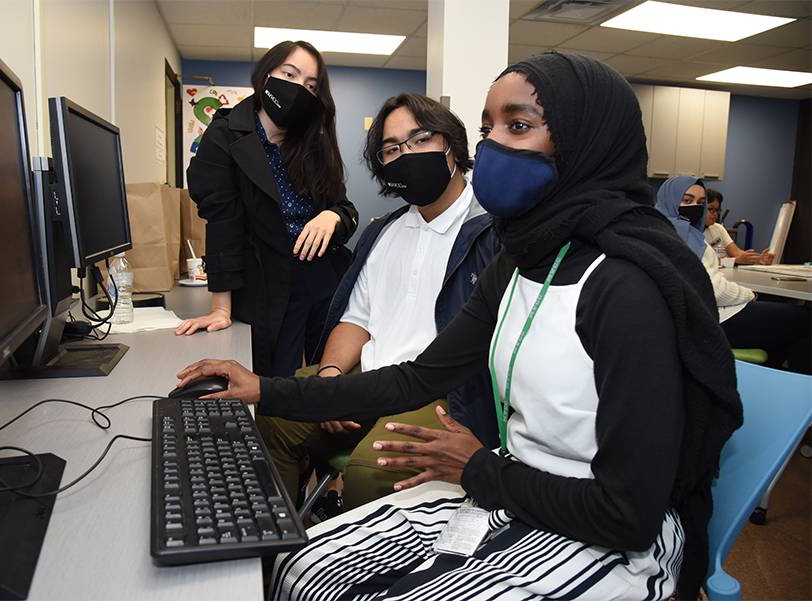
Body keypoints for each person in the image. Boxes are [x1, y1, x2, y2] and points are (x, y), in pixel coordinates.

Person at [177, 53, 744, 600]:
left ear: (586, 141)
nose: (493, 145)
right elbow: (416, 377)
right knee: (301, 569)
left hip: (607, 533)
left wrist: (477, 468)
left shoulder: (626, 285)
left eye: (518, 125)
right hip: (516, 491)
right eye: (489, 127)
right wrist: (265, 389)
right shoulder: (521, 260)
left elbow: (627, 514)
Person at [256, 93, 500, 512]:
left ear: (452, 146)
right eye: (391, 149)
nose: (406, 155)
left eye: (420, 139)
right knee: (272, 418)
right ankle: (275, 547)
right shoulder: (381, 233)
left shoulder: (493, 233)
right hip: (369, 377)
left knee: (372, 470)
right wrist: (332, 378)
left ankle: (358, 569)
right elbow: (357, 319)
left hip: (442, 392)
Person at [176, 41, 358, 377]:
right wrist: (220, 308)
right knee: (276, 383)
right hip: (267, 285)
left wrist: (331, 216)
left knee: (330, 380)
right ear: (266, 75)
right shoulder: (225, 137)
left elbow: (345, 209)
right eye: (290, 74)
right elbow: (223, 224)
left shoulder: (312, 143)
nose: (299, 89)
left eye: (311, 85)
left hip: (324, 279)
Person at [657, 176, 810, 374]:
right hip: (707, 321)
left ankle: (767, 382)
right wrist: (749, 295)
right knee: (804, 321)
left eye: (701, 203)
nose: (696, 207)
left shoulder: (673, 231)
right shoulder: (680, 236)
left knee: (783, 329)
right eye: (687, 201)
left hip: (701, 315)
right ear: (670, 200)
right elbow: (710, 288)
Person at [704, 188, 773, 265]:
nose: (715, 214)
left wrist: (757, 259)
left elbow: (736, 252)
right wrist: (734, 261)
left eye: (717, 210)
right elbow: (706, 262)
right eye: (710, 209)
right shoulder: (691, 233)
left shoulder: (718, 228)